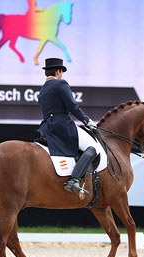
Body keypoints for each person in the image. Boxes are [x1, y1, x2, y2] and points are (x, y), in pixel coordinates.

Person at [38, 58, 99, 195]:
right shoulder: (61, 84)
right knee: (93, 148)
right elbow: (72, 106)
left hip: (48, 127)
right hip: (62, 125)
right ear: (59, 71)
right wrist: (87, 121)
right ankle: (74, 179)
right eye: (62, 72)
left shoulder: (43, 90)